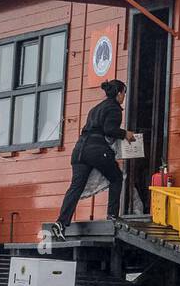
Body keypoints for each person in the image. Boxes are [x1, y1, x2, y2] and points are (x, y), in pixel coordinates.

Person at [52, 79, 131, 239]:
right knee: (116, 178)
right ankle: (112, 216)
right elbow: (109, 130)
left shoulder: (95, 108)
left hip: (79, 150)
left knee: (75, 187)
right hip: (96, 149)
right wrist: (125, 134)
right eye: (124, 93)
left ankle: (60, 223)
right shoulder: (115, 109)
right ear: (119, 93)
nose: (124, 97)